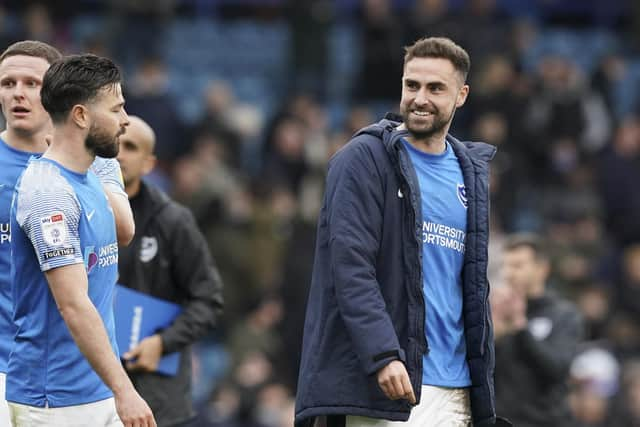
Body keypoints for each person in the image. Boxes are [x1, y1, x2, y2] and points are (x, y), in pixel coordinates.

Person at [295, 37, 509, 427]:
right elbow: (350, 268)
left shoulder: (471, 174)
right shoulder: (362, 160)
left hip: (456, 388)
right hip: (383, 386)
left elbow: (470, 286)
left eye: (435, 88)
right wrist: (383, 355)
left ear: (461, 95)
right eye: (412, 85)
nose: (419, 98)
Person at [8, 54, 155, 427]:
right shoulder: (49, 195)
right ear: (81, 116)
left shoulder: (89, 174)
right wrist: (125, 391)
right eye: (117, 109)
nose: (125, 121)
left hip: (95, 386)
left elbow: (125, 231)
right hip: (54, 399)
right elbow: (73, 305)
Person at [116, 115, 224, 427]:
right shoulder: (80, 211)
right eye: (115, 144)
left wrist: (162, 343)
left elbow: (208, 300)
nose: (120, 153)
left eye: (131, 147)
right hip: (89, 389)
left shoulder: (173, 222)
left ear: (149, 163)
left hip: (156, 398)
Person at [491, 233, 583, 426]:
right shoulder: (494, 313)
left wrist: (520, 328)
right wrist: (493, 338)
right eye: (505, 266)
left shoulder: (563, 314)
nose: (509, 273)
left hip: (546, 421)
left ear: (542, 269)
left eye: (517, 266)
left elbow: (556, 369)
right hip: (504, 420)